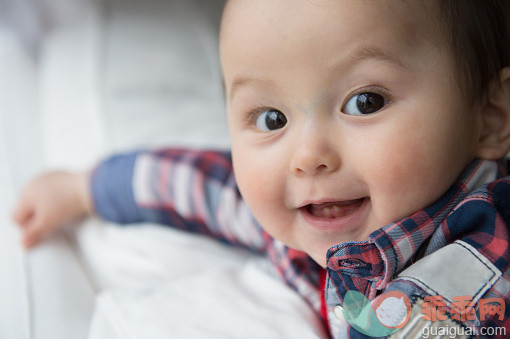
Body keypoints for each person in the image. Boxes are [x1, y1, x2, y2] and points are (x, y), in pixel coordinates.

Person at [12, 0, 510, 337]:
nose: (307, 155)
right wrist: (86, 187)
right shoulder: (311, 209)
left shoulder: (480, 265)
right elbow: (204, 188)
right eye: (272, 119)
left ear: (491, 117)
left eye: (365, 102)